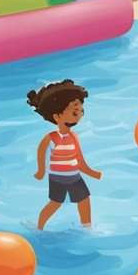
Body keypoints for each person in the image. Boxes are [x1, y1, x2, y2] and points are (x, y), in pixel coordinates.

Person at [31, 79, 103, 230]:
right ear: (57, 116)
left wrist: (92, 173)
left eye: (81, 111)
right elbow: (41, 151)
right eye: (75, 111)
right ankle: (39, 227)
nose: (79, 115)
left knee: (84, 200)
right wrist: (41, 171)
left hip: (74, 177)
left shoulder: (74, 138)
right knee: (55, 204)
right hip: (58, 178)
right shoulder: (52, 138)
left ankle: (87, 227)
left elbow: (79, 161)